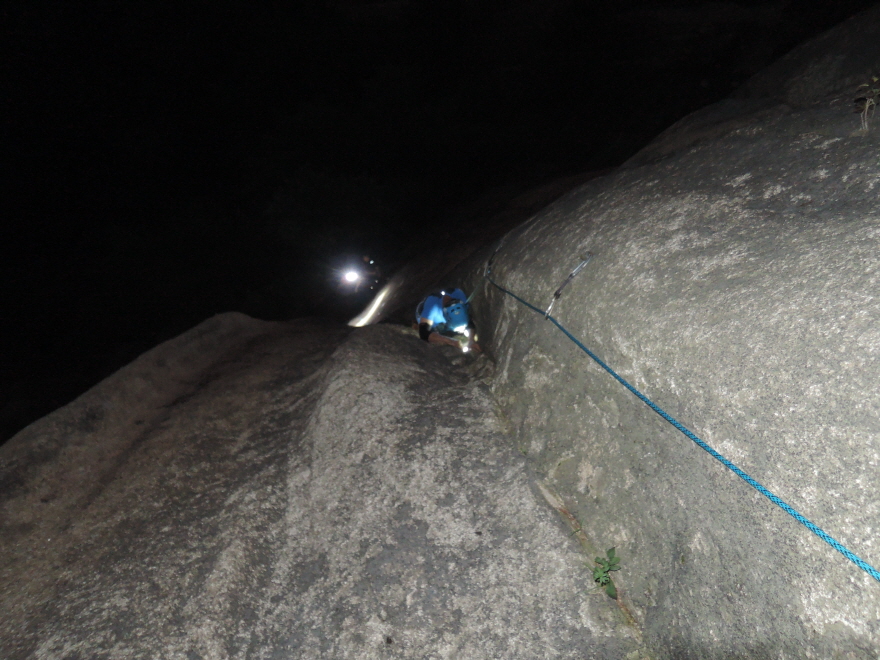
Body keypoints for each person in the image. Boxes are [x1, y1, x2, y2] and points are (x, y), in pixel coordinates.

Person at [415, 288, 481, 352]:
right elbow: (424, 334)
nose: (460, 332)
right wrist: (451, 342)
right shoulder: (432, 308)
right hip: (429, 320)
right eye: (458, 330)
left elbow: (468, 321)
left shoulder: (460, 296)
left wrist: (471, 341)